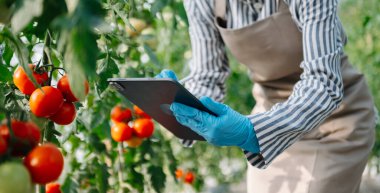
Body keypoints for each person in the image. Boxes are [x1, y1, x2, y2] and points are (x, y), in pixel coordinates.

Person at [155, 0, 376, 192]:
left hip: (337, 123)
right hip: (268, 116)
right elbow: (207, 76)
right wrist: (182, 103)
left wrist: (251, 133)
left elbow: (324, 82)